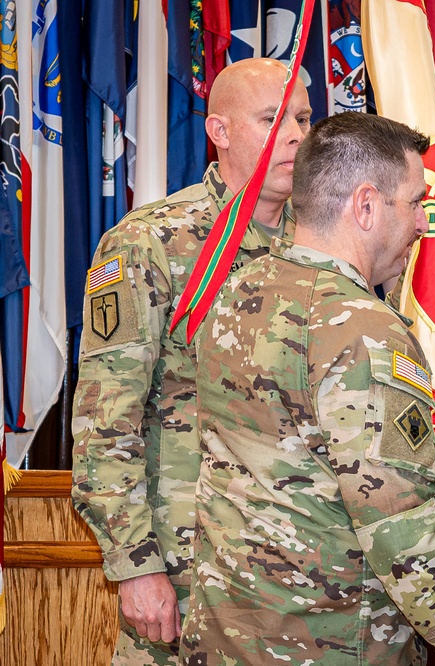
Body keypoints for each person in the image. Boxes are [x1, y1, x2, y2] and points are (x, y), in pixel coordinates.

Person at [178, 111, 435, 665]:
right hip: (331, 642)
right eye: (416, 202)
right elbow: (403, 532)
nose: (424, 223)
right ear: (366, 205)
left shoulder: (238, 290)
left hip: (229, 633)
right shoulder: (364, 331)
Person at [71, 58, 311, 665]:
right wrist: (135, 568)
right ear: (220, 132)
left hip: (302, 577)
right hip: (189, 566)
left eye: (305, 118)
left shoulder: (322, 248)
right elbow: (106, 422)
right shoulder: (151, 241)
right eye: (273, 117)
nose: (296, 135)